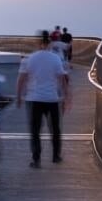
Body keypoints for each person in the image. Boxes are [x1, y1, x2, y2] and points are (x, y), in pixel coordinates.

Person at [16, 31, 69, 168]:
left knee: (35, 130)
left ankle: (36, 159)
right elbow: (62, 80)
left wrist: (18, 97)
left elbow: (21, 80)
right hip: (52, 99)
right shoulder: (55, 58)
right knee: (55, 129)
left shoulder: (28, 59)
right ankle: (56, 156)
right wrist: (65, 97)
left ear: (38, 43)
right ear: (49, 43)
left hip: (34, 100)